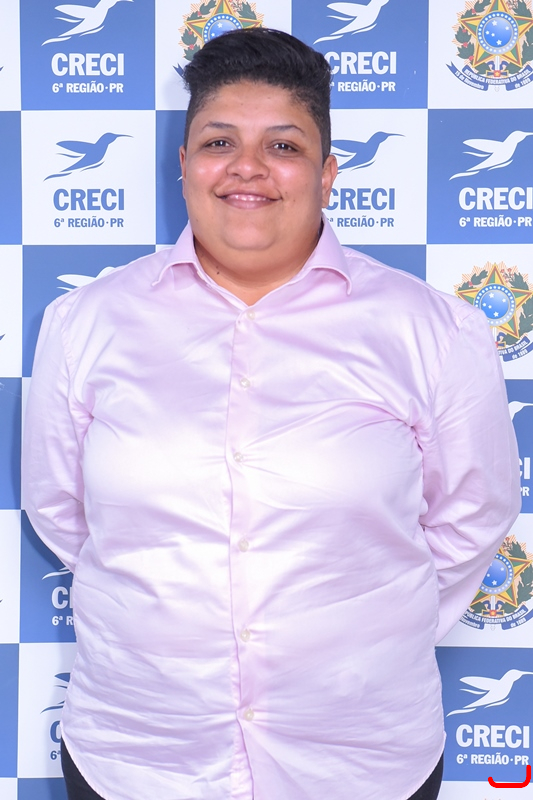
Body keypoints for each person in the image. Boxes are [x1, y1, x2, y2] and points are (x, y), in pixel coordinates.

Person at [22, 28, 520, 800]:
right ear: (183, 163)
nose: (246, 167)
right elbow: (61, 510)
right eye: (218, 141)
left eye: (282, 146)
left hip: (360, 758)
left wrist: (361, 638)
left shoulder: (434, 330)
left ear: (326, 174)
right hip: (139, 755)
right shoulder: (84, 322)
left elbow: (474, 513)